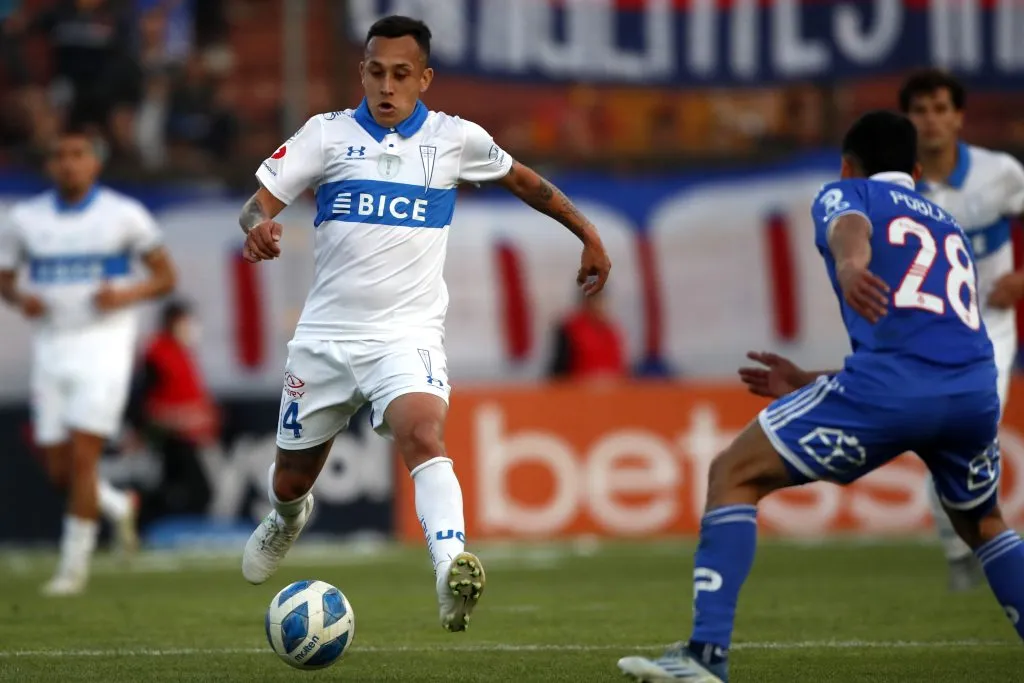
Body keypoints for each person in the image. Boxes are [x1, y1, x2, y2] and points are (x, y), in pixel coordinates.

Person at [616, 111, 1024, 682]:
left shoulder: (848, 193)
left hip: (891, 388)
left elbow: (848, 227)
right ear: (914, 172)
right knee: (984, 524)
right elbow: (927, 341)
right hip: (974, 392)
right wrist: (812, 380)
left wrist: (852, 266)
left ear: (847, 166)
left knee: (734, 473)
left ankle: (705, 657)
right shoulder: (948, 225)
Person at [237, 15, 611, 633]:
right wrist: (259, 228)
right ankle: (287, 518)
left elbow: (524, 180)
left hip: (406, 338)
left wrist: (588, 233)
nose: (387, 86)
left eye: (401, 74)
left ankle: (449, 569)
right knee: (291, 478)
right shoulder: (325, 135)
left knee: (423, 433)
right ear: (362, 72)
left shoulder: (455, 139)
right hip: (326, 340)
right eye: (376, 72)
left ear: (425, 79)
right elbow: (257, 205)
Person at [0, 126, 176, 596]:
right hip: (51, 346)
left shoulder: (124, 215)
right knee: (60, 470)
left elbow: (165, 277)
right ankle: (118, 505)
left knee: (83, 458)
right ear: (49, 165)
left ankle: (72, 570)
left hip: (105, 345)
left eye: (78, 154)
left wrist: (125, 295)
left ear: (95, 162)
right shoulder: (26, 220)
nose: (68, 163)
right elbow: (5, 277)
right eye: (60, 155)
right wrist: (20, 298)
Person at [897, 69, 1024, 591]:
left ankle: (974, 553)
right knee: (938, 442)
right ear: (907, 119)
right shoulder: (895, 184)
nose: (931, 120)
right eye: (920, 110)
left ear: (958, 117)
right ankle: (958, 553)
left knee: (973, 433)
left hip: (988, 330)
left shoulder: (1000, 173)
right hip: (924, 334)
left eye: (940, 109)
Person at [547, 289, 627, 381]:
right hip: (579, 386)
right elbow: (559, 371)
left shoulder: (612, 332)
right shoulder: (569, 330)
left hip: (611, 386)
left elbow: (621, 368)